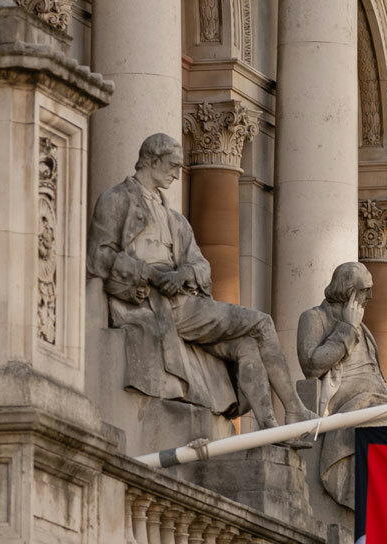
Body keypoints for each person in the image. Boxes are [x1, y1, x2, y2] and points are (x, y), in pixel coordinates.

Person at [88, 133, 313, 431]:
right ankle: (295, 408)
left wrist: (182, 274)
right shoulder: (117, 199)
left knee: (246, 344)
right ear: (152, 161)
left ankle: (269, 423)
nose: (176, 173)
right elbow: (99, 256)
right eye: (172, 165)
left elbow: (201, 265)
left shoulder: (175, 220)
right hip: (152, 301)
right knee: (261, 323)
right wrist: (150, 274)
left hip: (182, 298)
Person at [297, 262, 387, 508]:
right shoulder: (314, 318)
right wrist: (347, 329)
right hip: (348, 404)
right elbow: (312, 365)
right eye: (364, 290)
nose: (369, 297)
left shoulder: (365, 329)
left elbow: (376, 377)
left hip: (376, 398)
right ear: (347, 290)